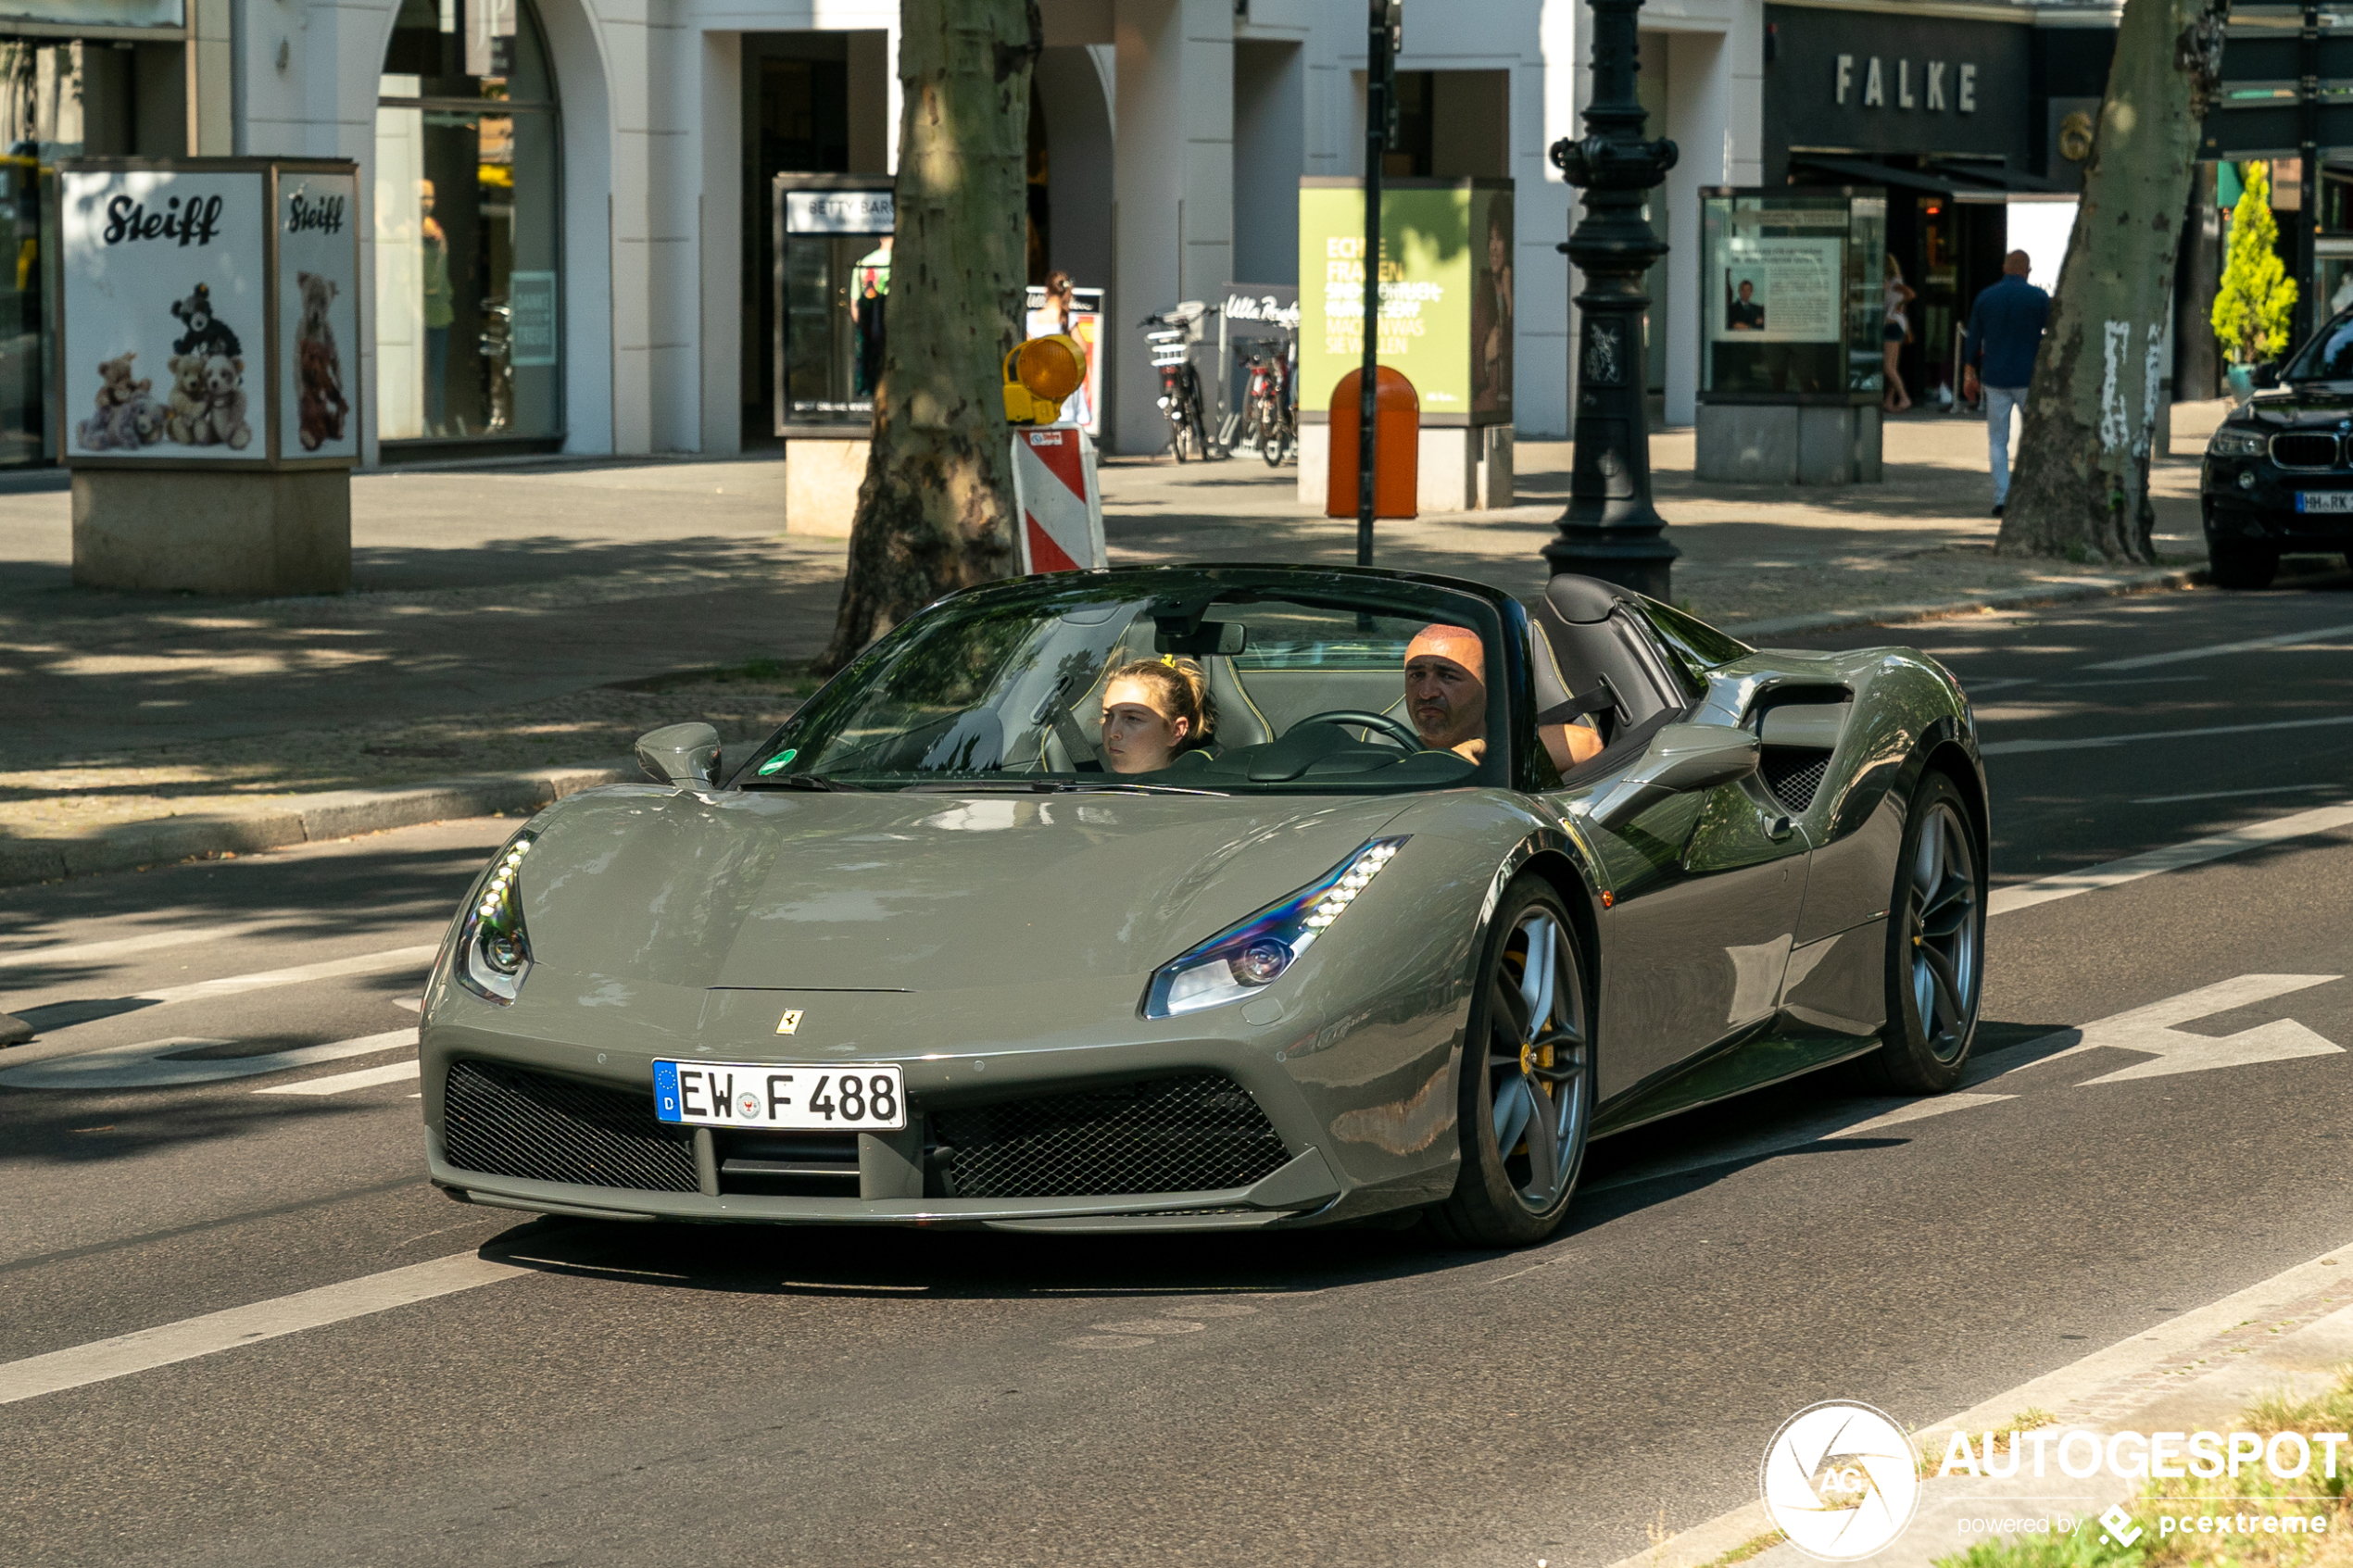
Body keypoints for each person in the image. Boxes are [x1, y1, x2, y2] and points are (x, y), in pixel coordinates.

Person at [1404, 624, 1602, 774]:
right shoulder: (1389, 757)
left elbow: (1588, 745)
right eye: (1417, 675)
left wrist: (1486, 751)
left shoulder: (1499, 749)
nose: (1426, 693)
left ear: (1492, 686)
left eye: (1447, 676)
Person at [1960, 250, 2052, 517]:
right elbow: (2052, 330)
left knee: (1997, 440)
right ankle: (2033, 494)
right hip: (2028, 377)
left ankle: (2002, 498)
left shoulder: (1986, 297)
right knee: (2033, 436)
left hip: (1995, 376)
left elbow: (1973, 338)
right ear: (2028, 270)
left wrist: (1969, 373)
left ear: (2003, 267)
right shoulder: (2038, 297)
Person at [1099, 657, 1214, 773]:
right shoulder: (1089, 783)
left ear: (1176, 731)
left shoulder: (1196, 789)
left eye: (1132, 718)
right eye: (1108, 716)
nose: (1113, 733)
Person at [1881, 255, 1917, 414]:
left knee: (1887, 366)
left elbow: (1910, 294)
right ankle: (1889, 401)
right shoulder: (1895, 282)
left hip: (1892, 324)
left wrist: (1900, 304)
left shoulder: (1894, 283)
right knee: (1892, 367)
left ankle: (1904, 398)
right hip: (1897, 325)